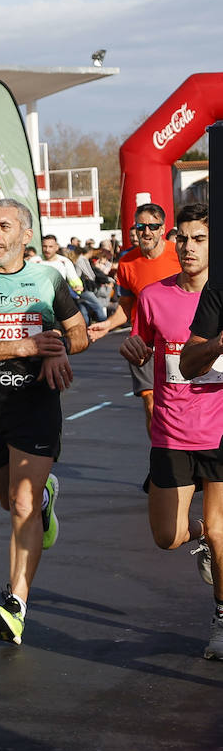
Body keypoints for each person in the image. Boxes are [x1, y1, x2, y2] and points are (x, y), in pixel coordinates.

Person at [0, 198, 88, 646]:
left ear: (26, 236)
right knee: (11, 502)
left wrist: (59, 349)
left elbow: (80, 334)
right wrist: (27, 346)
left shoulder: (48, 278)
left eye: (4, 226)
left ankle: (16, 606)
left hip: (36, 401)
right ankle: (46, 499)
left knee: (21, 505)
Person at [120, 204, 223, 658]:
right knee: (167, 536)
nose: (188, 247)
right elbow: (142, 345)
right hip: (171, 430)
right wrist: (134, 349)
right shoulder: (153, 296)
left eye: (198, 239)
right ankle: (204, 535)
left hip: (219, 428)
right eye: (182, 238)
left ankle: (221, 623)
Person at [89, 202, 181, 431]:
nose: (146, 232)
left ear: (162, 228)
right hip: (143, 342)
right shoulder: (127, 263)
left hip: (179, 340)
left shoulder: (179, 254)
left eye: (153, 226)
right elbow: (126, 307)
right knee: (151, 404)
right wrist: (107, 326)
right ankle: (160, 457)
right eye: (141, 227)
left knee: (180, 404)